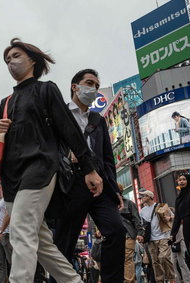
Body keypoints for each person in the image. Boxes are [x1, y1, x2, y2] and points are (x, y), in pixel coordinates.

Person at [0, 38, 103, 283]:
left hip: (40, 167)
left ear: (33, 61)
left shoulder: (46, 89)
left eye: (16, 56)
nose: (11, 62)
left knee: (20, 232)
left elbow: (69, 128)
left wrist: (89, 167)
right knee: (40, 242)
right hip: (11, 175)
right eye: (7, 60)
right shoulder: (5, 103)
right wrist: (0, 128)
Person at [54, 68, 125, 283]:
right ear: (75, 87)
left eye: (96, 84)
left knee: (116, 230)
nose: (93, 88)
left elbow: (107, 159)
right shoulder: (60, 114)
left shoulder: (98, 119)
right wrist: (68, 155)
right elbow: (50, 148)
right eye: (89, 82)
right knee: (63, 244)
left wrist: (114, 190)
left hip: (99, 184)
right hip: (71, 184)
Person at [139, 190, 175, 283]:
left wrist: (168, 218)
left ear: (149, 196)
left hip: (163, 236)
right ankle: (160, 281)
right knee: (155, 262)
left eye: (143, 196)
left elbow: (173, 216)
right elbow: (142, 225)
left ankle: (171, 279)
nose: (141, 198)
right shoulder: (142, 211)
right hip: (151, 239)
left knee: (164, 257)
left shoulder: (161, 206)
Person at [118, 183, 144, 283]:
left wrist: (140, 233)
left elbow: (137, 219)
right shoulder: (109, 205)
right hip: (115, 237)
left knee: (127, 259)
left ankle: (129, 281)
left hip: (128, 236)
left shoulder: (129, 203)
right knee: (118, 260)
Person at [0, 181, 12, 283]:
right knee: (0, 263)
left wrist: (1, 231)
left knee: (11, 261)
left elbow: (8, 215)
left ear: (0, 187)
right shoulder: (0, 202)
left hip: (6, 234)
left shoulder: (7, 200)